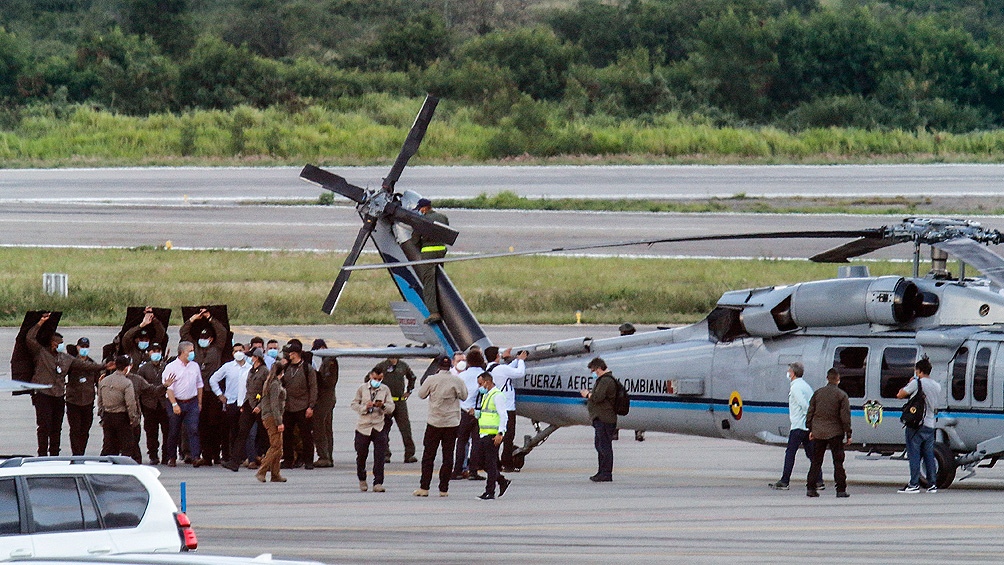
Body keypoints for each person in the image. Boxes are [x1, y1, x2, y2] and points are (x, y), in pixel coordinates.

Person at [25, 314, 102, 456]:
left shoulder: (66, 358)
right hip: (44, 395)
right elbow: (29, 338)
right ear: (52, 343)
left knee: (56, 427)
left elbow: (86, 366)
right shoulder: (41, 353)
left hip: (59, 395)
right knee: (44, 426)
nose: (61, 344)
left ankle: (54, 453)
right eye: (59, 342)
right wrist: (40, 322)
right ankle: (42, 453)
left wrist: (103, 366)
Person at [414, 356, 467, 497]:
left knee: (428, 456)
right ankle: (444, 489)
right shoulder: (457, 380)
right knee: (448, 456)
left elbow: (421, 394)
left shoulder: (431, 379)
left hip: (435, 422)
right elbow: (465, 396)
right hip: (451, 422)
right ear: (450, 366)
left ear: (438, 366)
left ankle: (424, 487)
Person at [181, 308, 228, 464]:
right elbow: (184, 333)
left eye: (206, 337)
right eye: (201, 337)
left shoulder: (217, 348)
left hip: (213, 392)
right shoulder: (193, 349)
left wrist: (210, 318)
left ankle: (216, 454)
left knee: (215, 424)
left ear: (211, 339)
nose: (203, 339)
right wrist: (192, 319)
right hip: (197, 393)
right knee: (201, 425)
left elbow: (222, 333)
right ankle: (206, 456)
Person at [770, 361, 821, 491]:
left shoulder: (795, 388)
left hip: (798, 426)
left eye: (789, 371)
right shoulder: (806, 386)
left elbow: (804, 405)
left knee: (790, 453)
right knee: (812, 455)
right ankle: (819, 481)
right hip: (807, 427)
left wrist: (807, 418)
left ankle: (785, 481)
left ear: (792, 373)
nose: (787, 373)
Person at [897, 357, 942, 493]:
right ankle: (932, 484)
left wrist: (910, 383)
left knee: (914, 454)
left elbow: (900, 395)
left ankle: (914, 484)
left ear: (919, 371)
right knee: (929, 454)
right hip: (930, 424)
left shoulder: (917, 383)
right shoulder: (936, 385)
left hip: (917, 424)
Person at [805, 368, 852, 498]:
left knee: (816, 461)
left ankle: (811, 488)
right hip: (835, 433)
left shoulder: (818, 393)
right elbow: (845, 417)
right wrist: (848, 434)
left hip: (818, 432)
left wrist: (810, 429)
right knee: (838, 462)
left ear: (827, 378)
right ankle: (840, 489)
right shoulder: (842, 395)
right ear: (838, 379)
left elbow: (810, 412)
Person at [225, 347, 270, 472]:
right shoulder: (251, 371)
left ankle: (270, 461)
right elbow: (248, 389)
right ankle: (234, 462)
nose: (249, 358)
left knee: (264, 435)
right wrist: (244, 404)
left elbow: (266, 391)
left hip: (260, 406)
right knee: (242, 432)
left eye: (252, 356)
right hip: (249, 405)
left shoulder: (265, 371)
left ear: (257, 358)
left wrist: (260, 406)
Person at [163, 341, 207, 468]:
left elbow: (199, 384)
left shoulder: (194, 366)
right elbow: (169, 388)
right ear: (182, 352)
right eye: (190, 351)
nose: (193, 353)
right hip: (176, 401)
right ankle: (171, 457)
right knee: (174, 431)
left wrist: (199, 402)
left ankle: (195, 457)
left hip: (192, 401)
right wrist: (174, 404)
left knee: (193, 429)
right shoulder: (171, 367)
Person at [275, 339, 317, 469]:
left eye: (289, 353)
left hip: (302, 406)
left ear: (294, 354)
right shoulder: (286, 368)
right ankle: (288, 459)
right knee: (287, 435)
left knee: (306, 435)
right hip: (288, 406)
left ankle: (308, 460)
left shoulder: (306, 368)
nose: (287, 355)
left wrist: (311, 406)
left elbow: (313, 387)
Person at [351, 367, 394, 492]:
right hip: (363, 426)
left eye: (379, 379)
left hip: (378, 426)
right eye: (375, 379)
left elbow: (391, 406)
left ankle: (378, 482)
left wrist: (383, 406)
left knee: (380, 456)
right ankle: (362, 478)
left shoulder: (385, 389)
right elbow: (354, 404)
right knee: (361, 454)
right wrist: (365, 407)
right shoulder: (362, 389)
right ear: (370, 376)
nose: (377, 381)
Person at [210, 343, 252, 472]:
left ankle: (242, 457)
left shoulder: (250, 367)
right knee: (232, 431)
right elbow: (213, 379)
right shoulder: (228, 367)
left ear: (244, 352)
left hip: (244, 403)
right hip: (231, 402)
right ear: (232, 353)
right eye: (236, 351)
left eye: (240, 350)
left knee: (244, 431)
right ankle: (231, 457)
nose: (238, 353)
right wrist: (220, 395)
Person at [485, 346, 527, 472]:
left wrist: (515, 359)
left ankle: (495, 463)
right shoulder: (501, 369)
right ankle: (507, 463)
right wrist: (521, 360)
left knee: (496, 436)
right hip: (507, 407)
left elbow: (507, 369)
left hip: (495, 407)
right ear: (497, 356)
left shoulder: (489, 368)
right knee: (508, 437)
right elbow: (519, 373)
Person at [411, 198, 450, 324]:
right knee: (440, 280)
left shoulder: (422, 220)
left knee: (429, 283)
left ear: (424, 208)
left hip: (428, 254)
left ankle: (434, 312)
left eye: (420, 209)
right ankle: (445, 308)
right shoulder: (443, 217)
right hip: (441, 251)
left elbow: (415, 240)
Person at [373, 353, 417, 463]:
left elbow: (412, 377)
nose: (393, 358)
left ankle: (409, 454)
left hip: (400, 402)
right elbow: (369, 379)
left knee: (405, 428)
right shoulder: (381, 366)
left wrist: (409, 391)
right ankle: (385, 454)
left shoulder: (403, 366)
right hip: (386, 402)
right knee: (384, 429)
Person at [64, 338, 104, 456]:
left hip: (88, 402)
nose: (84, 349)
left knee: (85, 431)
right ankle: (76, 454)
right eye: (82, 346)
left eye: (86, 347)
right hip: (73, 401)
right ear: (77, 347)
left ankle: (81, 453)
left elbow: (98, 382)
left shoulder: (93, 364)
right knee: (75, 430)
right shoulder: (71, 362)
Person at [474, 371, 511, 500]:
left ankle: (490, 491)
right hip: (483, 433)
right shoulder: (487, 395)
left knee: (490, 464)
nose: (480, 386)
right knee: (482, 462)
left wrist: (501, 433)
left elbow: (503, 415)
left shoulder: (497, 396)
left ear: (487, 382)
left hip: (492, 435)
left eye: (480, 383)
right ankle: (501, 480)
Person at [579, 357, 617, 482]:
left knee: (604, 446)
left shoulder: (606, 381)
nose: (593, 373)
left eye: (594, 370)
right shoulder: (603, 380)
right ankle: (602, 472)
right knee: (600, 445)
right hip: (601, 418)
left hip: (604, 418)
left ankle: (606, 473)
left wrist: (588, 395)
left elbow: (598, 397)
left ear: (600, 368)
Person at [98, 356, 142, 459]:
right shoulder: (126, 383)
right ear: (127, 367)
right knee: (128, 445)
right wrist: (133, 418)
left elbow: (100, 401)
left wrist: (102, 415)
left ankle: (105, 466)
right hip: (122, 417)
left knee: (109, 445)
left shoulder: (104, 381)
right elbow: (130, 403)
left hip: (108, 417)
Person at [453, 348, 487, 480]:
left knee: (461, 441)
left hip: (464, 412)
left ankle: (458, 469)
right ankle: (473, 471)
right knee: (476, 442)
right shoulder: (485, 375)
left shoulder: (462, 376)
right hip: (479, 412)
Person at [136, 342, 170, 465]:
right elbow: (139, 387)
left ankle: (167, 455)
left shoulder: (166, 366)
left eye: (158, 351)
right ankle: (153, 455)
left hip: (164, 404)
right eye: (153, 351)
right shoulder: (143, 369)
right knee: (151, 432)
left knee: (167, 431)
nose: (156, 354)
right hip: (149, 404)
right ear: (149, 353)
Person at [256, 359, 287, 483]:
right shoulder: (274, 384)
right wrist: (279, 422)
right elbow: (274, 405)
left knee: (279, 448)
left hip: (270, 416)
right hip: (272, 417)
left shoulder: (270, 383)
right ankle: (262, 471)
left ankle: (275, 474)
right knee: (275, 446)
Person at [311, 339, 338, 468]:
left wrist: (315, 376)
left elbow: (328, 382)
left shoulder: (330, 361)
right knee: (326, 428)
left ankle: (324, 456)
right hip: (326, 399)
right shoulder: (326, 361)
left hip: (325, 399)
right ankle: (327, 456)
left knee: (320, 427)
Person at [617, 323, 645, 442]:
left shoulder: (617, 346)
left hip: (623, 381)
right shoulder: (639, 346)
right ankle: (638, 432)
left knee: (616, 405)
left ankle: (615, 431)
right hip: (634, 381)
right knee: (636, 407)